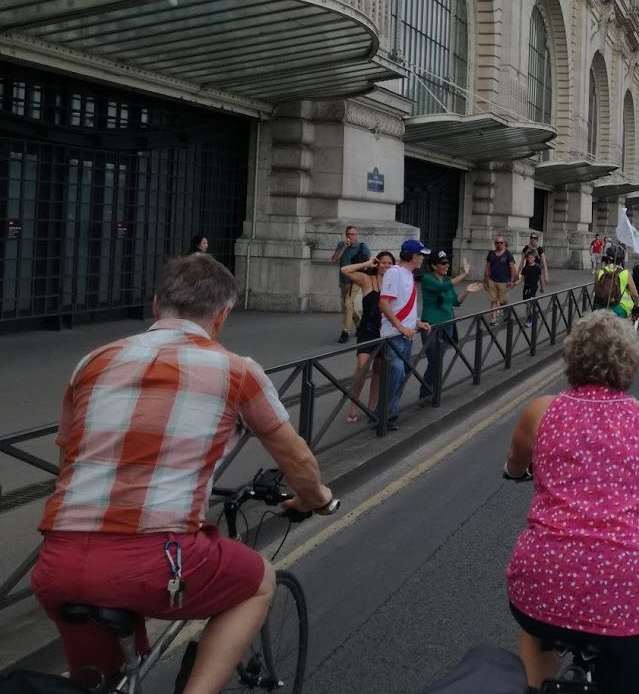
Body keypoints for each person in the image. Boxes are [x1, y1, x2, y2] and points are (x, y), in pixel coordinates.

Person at [32, 255, 334, 694]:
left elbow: (68, 458)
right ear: (223, 314)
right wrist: (316, 498)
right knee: (258, 583)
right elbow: (297, 459)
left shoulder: (93, 361)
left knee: (98, 683)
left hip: (59, 559)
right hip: (156, 559)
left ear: (156, 306)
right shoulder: (237, 370)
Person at [503, 311, 639, 694]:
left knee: (533, 629)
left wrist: (516, 471)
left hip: (543, 579)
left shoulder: (539, 411)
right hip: (627, 593)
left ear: (571, 360)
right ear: (630, 364)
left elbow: (514, 464)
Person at [379, 239, 433, 430]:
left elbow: (404, 305)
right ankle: (385, 415)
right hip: (393, 334)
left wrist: (417, 322)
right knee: (396, 372)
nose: (422, 259)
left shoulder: (409, 274)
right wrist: (401, 327)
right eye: (421, 255)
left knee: (400, 376)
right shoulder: (394, 273)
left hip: (407, 333)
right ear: (412, 256)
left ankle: (388, 414)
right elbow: (384, 303)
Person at [419, 252, 481, 402]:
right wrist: (464, 275)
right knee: (434, 360)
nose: (447, 265)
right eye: (443, 263)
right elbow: (442, 287)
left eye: (447, 263)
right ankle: (426, 393)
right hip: (431, 325)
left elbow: (456, 302)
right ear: (434, 265)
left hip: (447, 325)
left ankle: (431, 392)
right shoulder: (427, 279)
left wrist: (466, 291)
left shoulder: (447, 279)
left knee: (438, 360)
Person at [341, 250, 395, 422]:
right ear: (377, 263)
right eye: (383, 262)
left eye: (389, 263)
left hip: (384, 331)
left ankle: (371, 408)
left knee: (378, 371)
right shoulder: (367, 280)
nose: (386, 265)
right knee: (362, 366)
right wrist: (366, 264)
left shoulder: (393, 284)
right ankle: (354, 405)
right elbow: (345, 270)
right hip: (367, 330)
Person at [331, 226, 372, 343]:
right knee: (347, 304)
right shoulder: (341, 245)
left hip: (355, 279)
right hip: (343, 279)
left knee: (348, 303)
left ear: (357, 235)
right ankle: (359, 324)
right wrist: (344, 247)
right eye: (348, 234)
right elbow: (334, 260)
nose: (350, 236)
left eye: (353, 234)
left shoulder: (362, 247)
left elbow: (368, 263)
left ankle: (345, 331)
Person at [593, 244, 639, 318]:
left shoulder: (600, 272)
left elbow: (595, 290)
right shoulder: (625, 273)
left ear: (608, 258)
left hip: (600, 308)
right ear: (621, 260)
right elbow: (634, 294)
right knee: (625, 326)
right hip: (618, 309)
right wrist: (637, 304)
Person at [484, 235, 517, 327]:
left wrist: (511, 280)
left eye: (501, 242)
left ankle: (506, 313)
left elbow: (512, 268)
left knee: (503, 301)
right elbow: (487, 268)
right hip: (492, 281)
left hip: (504, 282)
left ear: (504, 243)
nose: (499, 244)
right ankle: (493, 319)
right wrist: (485, 281)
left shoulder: (508, 254)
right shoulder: (491, 253)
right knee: (493, 300)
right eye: (497, 242)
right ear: (495, 244)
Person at [520, 250, 545, 327]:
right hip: (526, 287)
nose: (530, 258)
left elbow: (540, 278)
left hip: (533, 287)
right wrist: (515, 283)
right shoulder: (525, 268)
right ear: (527, 259)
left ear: (534, 258)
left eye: (532, 257)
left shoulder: (537, 268)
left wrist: (542, 287)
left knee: (528, 304)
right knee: (529, 302)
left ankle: (529, 320)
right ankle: (536, 312)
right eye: (528, 257)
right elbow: (522, 278)